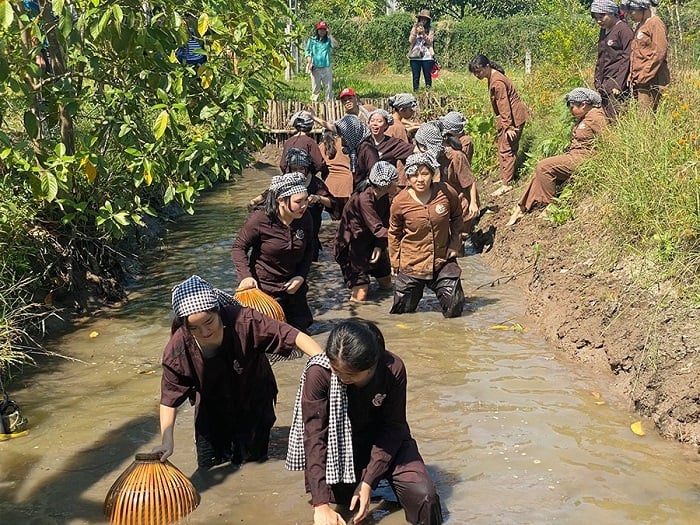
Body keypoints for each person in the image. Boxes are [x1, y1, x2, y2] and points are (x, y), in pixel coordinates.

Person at [153, 275, 323, 470]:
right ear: (185, 326)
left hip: (255, 395)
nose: (205, 331)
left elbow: (292, 336)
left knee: (254, 465)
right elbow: (169, 398)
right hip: (211, 406)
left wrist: (323, 361)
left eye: (209, 322)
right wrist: (167, 441)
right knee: (209, 467)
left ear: (219, 311)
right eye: (195, 328)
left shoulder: (244, 320)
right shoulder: (178, 348)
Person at [286, 320, 443, 525]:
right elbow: (314, 437)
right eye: (337, 371)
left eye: (350, 374)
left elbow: (393, 428)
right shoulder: (319, 374)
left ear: (373, 365)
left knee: (425, 497)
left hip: (389, 444)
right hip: (343, 449)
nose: (342, 378)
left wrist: (369, 481)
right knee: (343, 506)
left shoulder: (393, 369)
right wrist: (320, 505)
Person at [506, 88, 608, 227]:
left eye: (572, 107)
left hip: (584, 157)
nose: (570, 111)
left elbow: (609, 140)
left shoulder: (596, 116)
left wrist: (601, 161)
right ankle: (522, 206)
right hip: (574, 155)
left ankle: (550, 205)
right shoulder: (584, 118)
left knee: (544, 166)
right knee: (538, 175)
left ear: (583, 104)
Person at [232, 173, 315, 331]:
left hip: (293, 288)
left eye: (306, 200)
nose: (304, 206)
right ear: (281, 200)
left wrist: (301, 276)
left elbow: (310, 249)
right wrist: (245, 277)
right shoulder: (260, 219)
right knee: (265, 336)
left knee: (301, 333)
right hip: (265, 290)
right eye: (299, 202)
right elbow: (238, 247)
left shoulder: (305, 218)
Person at [388, 152, 465, 318]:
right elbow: (394, 233)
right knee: (402, 314)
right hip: (412, 263)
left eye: (424, 174)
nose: (420, 179)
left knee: (455, 306)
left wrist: (455, 243)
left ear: (432, 174)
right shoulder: (400, 202)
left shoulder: (445, 192)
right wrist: (395, 261)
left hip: (441, 260)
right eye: (414, 175)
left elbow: (458, 217)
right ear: (408, 177)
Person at [334, 162, 398, 303]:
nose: (397, 184)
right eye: (395, 181)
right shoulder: (364, 199)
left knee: (387, 285)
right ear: (386, 184)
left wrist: (380, 245)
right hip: (354, 247)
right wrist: (406, 236)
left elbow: (386, 223)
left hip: (373, 242)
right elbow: (378, 228)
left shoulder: (386, 197)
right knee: (361, 295)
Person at [469, 54, 530, 198]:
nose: (477, 75)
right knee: (506, 147)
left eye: (479, 71)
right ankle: (506, 178)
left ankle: (506, 184)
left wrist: (508, 127)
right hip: (511, 117)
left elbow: (504, 104)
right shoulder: (494, 76)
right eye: (475, 72)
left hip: (512, 118)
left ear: (487, 67)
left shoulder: (497, 82)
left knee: (506, 149)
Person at [414, 120, 478, 255]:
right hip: (447, 201)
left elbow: (470, 181)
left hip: (462, 203)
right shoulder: (437, 157)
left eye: (419, 145)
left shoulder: (457, 157)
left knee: (457, 245)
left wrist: (473, 203)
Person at [621, 0, 670, 112]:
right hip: (640, 79)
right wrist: (632, 74)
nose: (629, 15)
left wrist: (645, 74)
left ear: (643, 9)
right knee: (641, 114)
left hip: (651, 79)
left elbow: (659, 52)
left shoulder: (655, 23)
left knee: (647, 117)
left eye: (632, 11)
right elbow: (637, 52)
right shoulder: (640, 25)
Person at [590, 0, 634, 118]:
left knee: (617, 117)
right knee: (606, 116)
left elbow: (627, 58)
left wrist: (619, 84)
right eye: (596, 18)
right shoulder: (604, 30)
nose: (599, 21)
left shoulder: (624, 30)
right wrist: (597, 80)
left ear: (612, 13)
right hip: (604, 82)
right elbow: (601, 57)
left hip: (617, 83)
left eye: (602, 16)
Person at [356, 109, 415, 189]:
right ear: (368, 123)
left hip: (386, 189)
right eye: (372, 121)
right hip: (365, 188)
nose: (375, 124)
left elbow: (414, 150)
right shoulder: (363, 143)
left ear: (386, 125)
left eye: (379, 121)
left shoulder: (393, 143)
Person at [280, 111, 329, 180]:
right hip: (306, 180)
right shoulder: (310, 142)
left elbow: (282, 165)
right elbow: (319, 164)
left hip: (289, 179)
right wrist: (310, 173)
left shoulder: (288, 142)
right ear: (310, 126)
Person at [320, 129, 354, 219]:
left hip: (330, 187)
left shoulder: (322, 147)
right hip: (347, 186)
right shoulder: (345, 144)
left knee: (333, 218)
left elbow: (319, 166)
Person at [305, 21, 338, 102]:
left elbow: (336, 45)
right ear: (317, 30)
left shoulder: (328, 40)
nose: (322, 31)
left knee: (328, 87)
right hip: (315, 67)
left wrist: (330, 34)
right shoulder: (312, 40)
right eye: (320, 29)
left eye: (324, 29)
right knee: (316, 87)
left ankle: (329, 103)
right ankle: (314, 103)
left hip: (326, 67)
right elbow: (307, 52)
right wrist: (310, 62)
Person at [408, 10, 436, 92]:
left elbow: (430, 42)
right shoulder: (414, 27)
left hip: (427, 56)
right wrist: (415, 31)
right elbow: (410, 40)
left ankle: (428, 91)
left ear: (428, 20)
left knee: (427, 75)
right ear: (419, 19)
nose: (423, 21)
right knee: (415, 76)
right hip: (415, 55)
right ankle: (416, 92)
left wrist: (423, 34)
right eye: (422, 19)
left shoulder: (430, 29)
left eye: (425, 19)